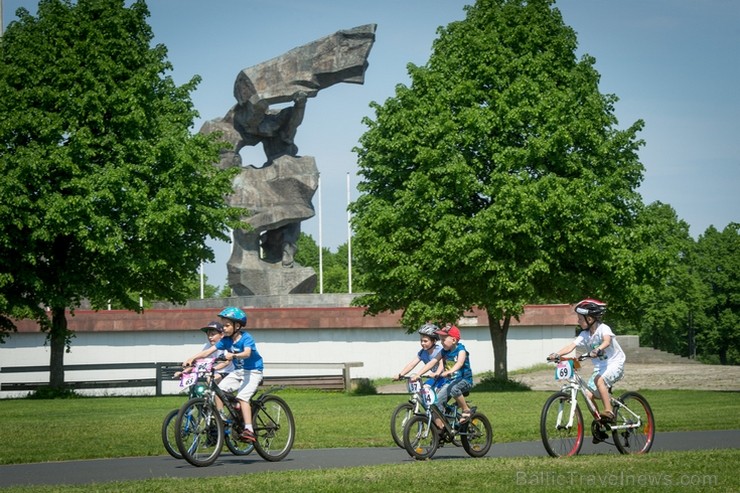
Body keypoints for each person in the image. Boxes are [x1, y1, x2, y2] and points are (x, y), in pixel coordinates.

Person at [184, 307, 264, 443]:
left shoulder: (246, 337)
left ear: (237, 326)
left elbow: (247, 353)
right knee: (218, 390)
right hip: (239, 372)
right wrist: (192, 358)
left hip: (253, 371)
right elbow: (208, 352)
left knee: (243, 398)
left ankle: (249, 429)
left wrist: (233, 355)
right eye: (223, 325)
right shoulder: (226, 340)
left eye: (227, 325)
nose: (224, 328)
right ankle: (222, 418)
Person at [548, 298, 626, 426]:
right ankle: (601, 422)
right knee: (588, 394)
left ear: (589, 319)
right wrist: (557, 354)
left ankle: (609, 411)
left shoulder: (603, 328)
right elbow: (571, 346)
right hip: (600, 368)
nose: (578, 321)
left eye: (580, 318)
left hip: (614, 363)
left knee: (599, 381)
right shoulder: (585, 334)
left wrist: (598, 349)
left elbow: (607, 341)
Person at [411, 324, 474, 428]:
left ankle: (466, 410)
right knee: (436, 403)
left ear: (453, 340)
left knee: (454, 389)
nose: (441, 342)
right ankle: (441, 430)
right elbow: (433, 362)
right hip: (451, 382)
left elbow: (460, 363)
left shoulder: (461, 350)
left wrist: (449, 371)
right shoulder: (444, 351)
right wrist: (418, 374)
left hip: (464, 380)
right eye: (440, 340)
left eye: (444, 340)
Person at [393, 323, 446, 389]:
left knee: (434, 395)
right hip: (435, 378)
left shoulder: (439, 351)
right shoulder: (422, 352)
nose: (422, 343)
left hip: (445, 378)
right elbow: (411, 364)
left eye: (425, 341)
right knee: (422, 390)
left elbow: (442, 364)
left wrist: (436, 373)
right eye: (421, 341)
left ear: (434, 341)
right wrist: (401, 374)